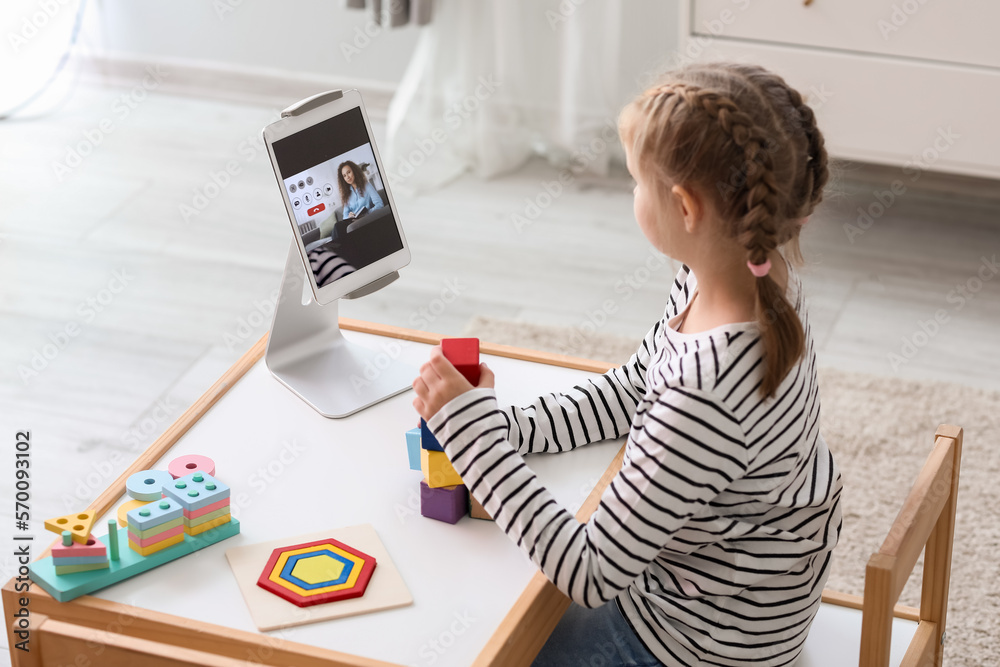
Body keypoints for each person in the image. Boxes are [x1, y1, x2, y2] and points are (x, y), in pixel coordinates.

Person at [413, 61, 842, 666]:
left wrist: (473, 439)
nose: (632, 194)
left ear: (685, 208)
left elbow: (590, 573)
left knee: (473, 645)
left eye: (637, 182)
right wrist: (504, 426)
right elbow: (635, 389)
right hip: (729, 598)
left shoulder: (707, 393)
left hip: (693, 645)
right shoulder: (749, 279)